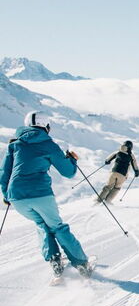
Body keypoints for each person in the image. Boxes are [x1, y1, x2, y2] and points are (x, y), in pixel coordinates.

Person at [1, 111, 92, 278]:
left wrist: (6, 195)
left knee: (42, 224)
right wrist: (72, 159)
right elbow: (68, 172)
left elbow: (4, 173)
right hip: (40, 194)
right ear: (46, 126)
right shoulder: (49, 144)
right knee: (57, 227)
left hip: (17, 197)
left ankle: (55, 261)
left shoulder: (15, 145)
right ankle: (82, 264)